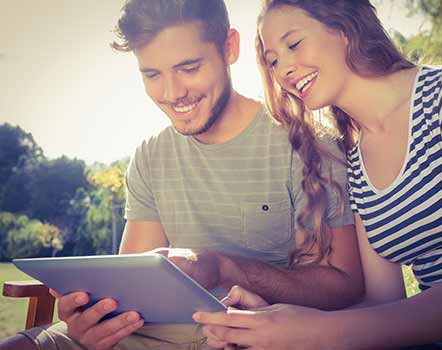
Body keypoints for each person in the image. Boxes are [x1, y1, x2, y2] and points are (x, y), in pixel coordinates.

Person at [0, 1, 364, 350]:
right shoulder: (149, 155)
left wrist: (224, 268)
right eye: (152, 75)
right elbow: (129, 287)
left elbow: (343, 284)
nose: (172, 93)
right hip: (141, 336)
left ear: (229, 47)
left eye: (189, 68)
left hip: (239, 337)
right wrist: (93, 320)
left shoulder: (305, 144)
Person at [193, 0, 442, 348]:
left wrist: (317, 333)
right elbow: (383, 303)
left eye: (294, 43)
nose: (284, 69)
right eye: (273, 61)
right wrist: (273, 322)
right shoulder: (356, 161)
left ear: (343, 26)